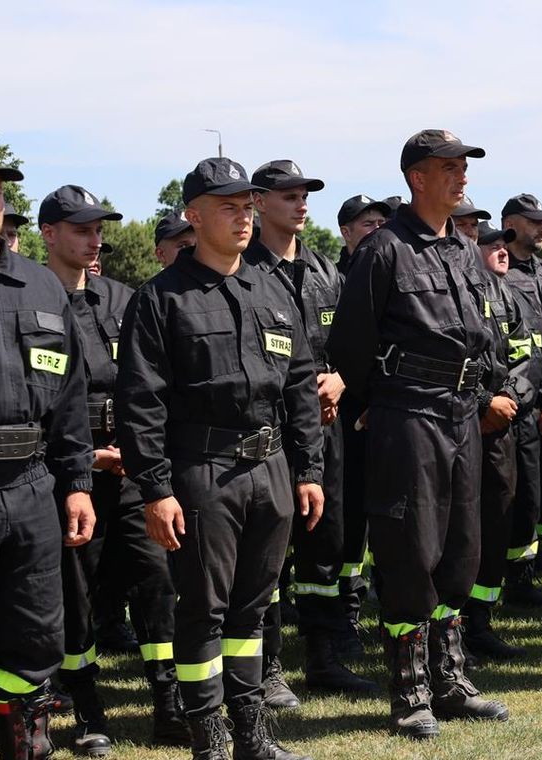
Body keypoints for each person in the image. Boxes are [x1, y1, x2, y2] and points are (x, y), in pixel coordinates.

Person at [116, 157, 324, 760]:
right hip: (202, 473)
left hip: (271, 469)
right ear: (195, 215)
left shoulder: (272, 288)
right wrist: (156, 490)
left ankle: (252, 737)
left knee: (253, 610)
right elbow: (141, 402)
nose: (243, 217)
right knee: (204, 610)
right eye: (229, 207)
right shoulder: (161, 300)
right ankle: (209, 739)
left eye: (247, 206)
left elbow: (300, 384)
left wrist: (308, 470)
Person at [328, 129, 508, 739]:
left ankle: (450, 677)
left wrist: (484, 395)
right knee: (410, 546)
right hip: (409, 414)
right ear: (416, 178)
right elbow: (350, 343)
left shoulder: (462, 251)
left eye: (463, 166)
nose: (461, 176)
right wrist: (374, 403)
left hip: (462, 414)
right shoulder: (384, 251)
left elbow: (481, 337)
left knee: (461, 546)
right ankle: (409, 691)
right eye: (448, 167)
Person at [40, 185, 188, 754]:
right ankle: (88, 710)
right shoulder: (32, 298)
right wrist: (88, 457)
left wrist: (142, 453)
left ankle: (169, 703)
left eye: (98, 227)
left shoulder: (125, 299)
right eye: (80, 228)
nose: (94, 237)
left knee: (157, 580)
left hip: (134, 471)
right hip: (66, 473)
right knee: (76, 596)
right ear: (49, 234)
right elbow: (40, 397)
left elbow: (153, 383)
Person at [245, 160, 379, 703]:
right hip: (271, 435)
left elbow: (354, 342)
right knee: (269, 555)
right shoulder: (243, 271)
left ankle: (323, 656)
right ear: (258, 201)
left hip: (328, 432)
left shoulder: (327, 271)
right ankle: (269, 665)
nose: (301, 204)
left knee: (325, 548)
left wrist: (342, 379)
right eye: (287, 195)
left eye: (304, 195)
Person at [0, 165, 96, 760]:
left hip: (31, 485)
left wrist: (77, 482)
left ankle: (26, 745)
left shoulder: (39, 287)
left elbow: (69, 393)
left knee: (34, 633)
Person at [464, 221, 536, 658]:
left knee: (496, 520)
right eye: (491, 244)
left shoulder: (506, 294)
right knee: (459, 529)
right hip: (462, 426)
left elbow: (528, 355)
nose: (501, 251)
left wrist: (509, 398)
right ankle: (450, 628)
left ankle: (481, 622)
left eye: (503, 244)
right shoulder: (457, 292)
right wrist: (482, 403)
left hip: (501, 429)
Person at [333, 193, 393, 652]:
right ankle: (345, 616)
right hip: (343, 419)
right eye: (366, 223)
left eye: (381, 222)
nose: (375, 229)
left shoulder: (389, 271)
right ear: (346, 232)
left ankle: (382, 607)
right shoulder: (332, 279)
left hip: (386, 412)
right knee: (348, 520)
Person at [499, 193, 542, 602]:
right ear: (510, 222)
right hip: (511, 399)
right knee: (515, 491)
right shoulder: (497, 271)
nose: (541, 227)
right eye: (533, 221)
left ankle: (534, 559)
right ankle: (514, 578)